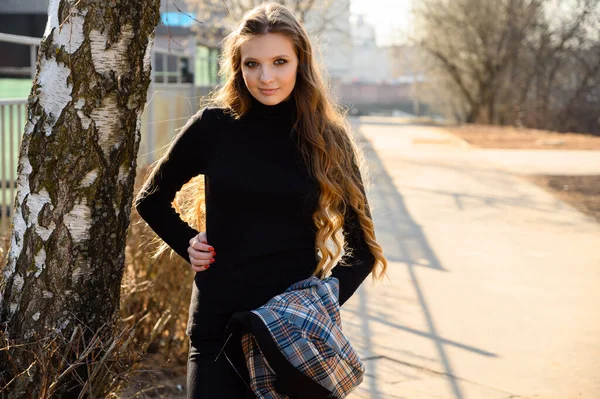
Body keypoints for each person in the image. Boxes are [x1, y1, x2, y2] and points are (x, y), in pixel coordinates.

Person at [135, 2, 388, 398]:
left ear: (301, 63)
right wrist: (187, 243)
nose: (266, 77)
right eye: (252, 64)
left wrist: (317, 305)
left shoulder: (326, 139)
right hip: (217, 328)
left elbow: (363, 251)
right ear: (238, 66)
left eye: (279, 62)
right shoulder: (213, 126)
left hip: (290, 334)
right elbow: (151, 199)